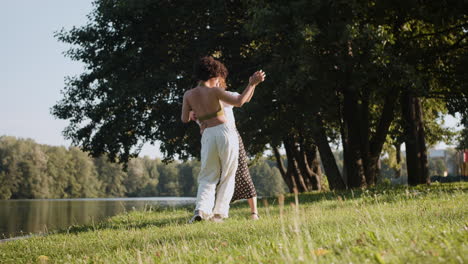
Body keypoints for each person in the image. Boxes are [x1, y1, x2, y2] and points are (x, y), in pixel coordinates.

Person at [181, 56, 265, 223]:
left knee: (207, 175)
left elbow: (184, 118)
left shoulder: (189, 94)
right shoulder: (215, 91)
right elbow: (240, 101)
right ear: (214, 75)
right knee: (227, 174)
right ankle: (218, 214)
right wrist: (252, 84)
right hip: (225, 132)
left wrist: (193, 114)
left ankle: (200, 210)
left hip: (207, 134)